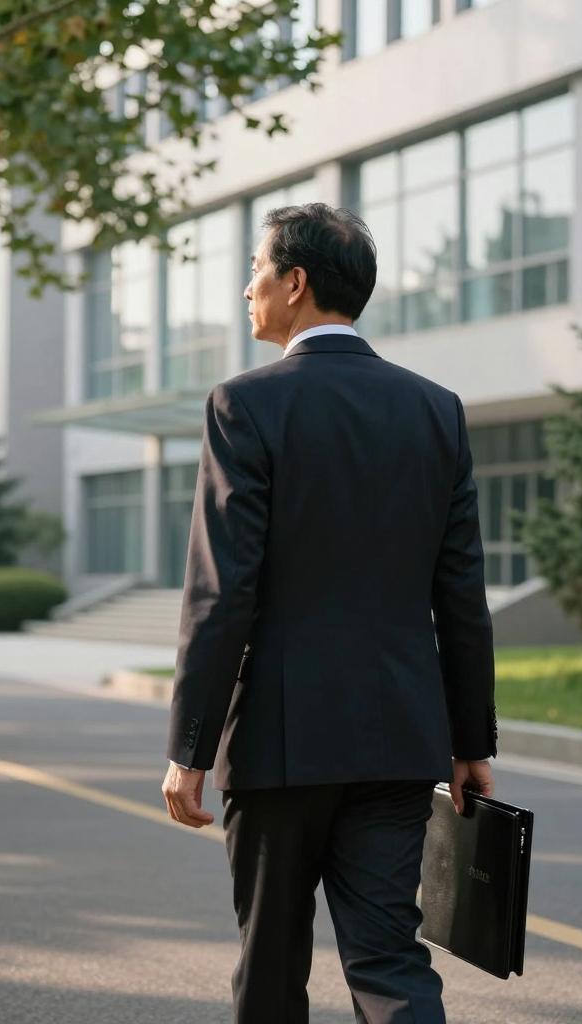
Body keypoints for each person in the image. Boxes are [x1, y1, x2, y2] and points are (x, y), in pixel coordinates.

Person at [161, 202, 497, 1024]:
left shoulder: (244, 404)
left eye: (257, 271)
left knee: (272, 964)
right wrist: (471, 742)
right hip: (397, 739)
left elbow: (222, 592)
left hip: (280, 744)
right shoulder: (436, 409)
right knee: (390, 961)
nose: (248, 289)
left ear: (296, 282)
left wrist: (189, 749)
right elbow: (461, 592)